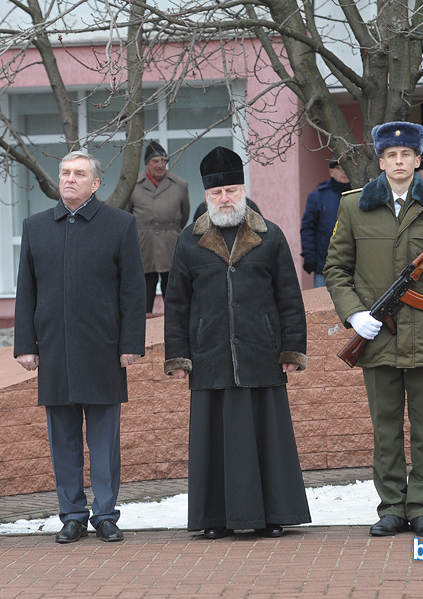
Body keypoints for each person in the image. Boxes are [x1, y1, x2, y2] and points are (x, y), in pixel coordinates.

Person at [324, 122, 423, 539]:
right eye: (391, 156)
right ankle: (391, 507)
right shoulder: (354, 206)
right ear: (381, 161)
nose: (399, 162)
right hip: (378, 336)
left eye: (406, 155)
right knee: (385, 429)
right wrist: (355, 316)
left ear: (417, 159)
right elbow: (335, 270)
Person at [164, 146, 311, 540]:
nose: (224, 198)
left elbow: (289, 298)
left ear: (242, 190)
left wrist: (292, 349)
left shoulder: (270, 235)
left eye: (230, 190)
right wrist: (178, 354)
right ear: (207, 196)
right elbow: (176, 302)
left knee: (267, 438)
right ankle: (215, 519)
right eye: (217, 193)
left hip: (261, 353)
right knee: (214, 442)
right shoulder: (188, 241)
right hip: (208, 355)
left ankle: (273, 514)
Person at [14, 150, 145, 544]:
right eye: (65, 173)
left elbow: (133, 292)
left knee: (104, 444)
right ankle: (72, 514)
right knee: (63, 442)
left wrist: (130, 344)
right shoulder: (36, 227)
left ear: (95, 183)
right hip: (54, 351)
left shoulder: (120, 225)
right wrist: (25, 345)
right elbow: (26, 292)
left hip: (103, 350)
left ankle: (105, 515)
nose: (69, 179)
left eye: (79, 174)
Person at [126, 141, 191, 314]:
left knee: (173, 292)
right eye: (155, 161)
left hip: (170, 244)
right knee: (144, 292)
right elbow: (126, 216)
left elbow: (184, 215)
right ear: (147, 163)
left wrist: (170, 232)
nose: (160, 165)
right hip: (143, 246)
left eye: (163, 160)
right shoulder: (133, 184)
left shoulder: (180, 185)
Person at [300, 158, 351, 287]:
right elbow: (308, 228)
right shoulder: (317, 196)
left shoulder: (359, 194)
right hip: (324, 266)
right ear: (331, 172)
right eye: (340, 168)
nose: (344, 172)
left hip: (353, 265)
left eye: (347, 167)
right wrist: (309, 256)